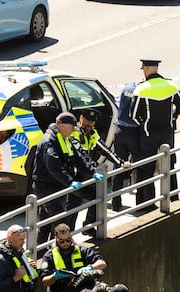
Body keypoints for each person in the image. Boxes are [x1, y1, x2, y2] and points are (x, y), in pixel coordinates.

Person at [31, 111, 96, 245]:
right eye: (72, 126)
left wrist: (92, 171)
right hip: (46, 187)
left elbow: (77, 158)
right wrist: (70, 181)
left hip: (56, 186)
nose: (73, 129)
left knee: (46, 223)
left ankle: (42, 252)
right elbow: (54, 168)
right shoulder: (49, 141)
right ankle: (50, 251)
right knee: (59, 221)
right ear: (61, 125)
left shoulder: (65, 138)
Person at [131, 59, 180, 208]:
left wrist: (144, 125)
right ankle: (174, 198)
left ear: (147, 69)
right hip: (167, 133)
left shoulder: (141, 89)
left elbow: (134, 115)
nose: (143, 70)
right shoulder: (171, 85)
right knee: (170, 165)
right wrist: (172, 118)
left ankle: (149, 204)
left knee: (147, 169)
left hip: (148, 134)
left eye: (143, 68)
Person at [68, 108, 126, 235]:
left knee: (96, 197)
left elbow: (105, 150)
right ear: (81, 119)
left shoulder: (92, 134)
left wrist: (121, 162)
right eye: (87, 121)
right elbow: (81, 156)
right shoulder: (74, 134)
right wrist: (95, 166)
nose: (89, 125)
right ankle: (68, 235)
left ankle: (88, 226)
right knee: (71, 209)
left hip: (84, 175)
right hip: (72, 176)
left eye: (92, 122)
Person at [112, 80, 141, 211]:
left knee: (118, 166)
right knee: (141, 166)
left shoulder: (126, 88)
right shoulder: (141, 90)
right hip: (134, 132)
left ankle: (115, 202)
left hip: (120, 130)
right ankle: (141, 202)